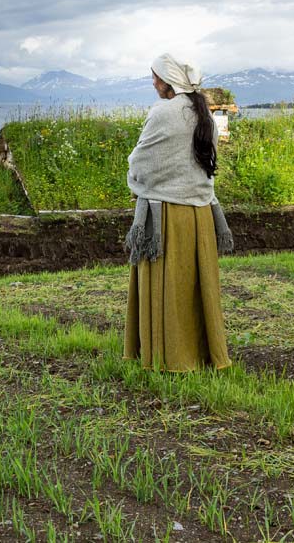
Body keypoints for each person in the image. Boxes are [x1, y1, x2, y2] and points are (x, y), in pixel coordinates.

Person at [124, 53, 233, 372]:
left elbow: (143, 162)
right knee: (195, 289)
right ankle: (202, 355)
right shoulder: (205, 116)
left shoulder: (163, 113)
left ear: (169, 82)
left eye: (156, 77)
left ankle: (167, 357)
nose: (153, 82)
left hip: (166, 218)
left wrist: (136, 182)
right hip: (199, 216)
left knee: (167, 290)